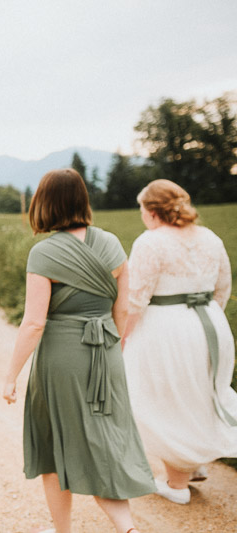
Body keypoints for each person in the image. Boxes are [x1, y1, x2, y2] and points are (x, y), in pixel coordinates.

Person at [3, 168, 154, 533]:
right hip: (107, 352)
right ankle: (127, 527)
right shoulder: (113, 244)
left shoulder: (44, 253)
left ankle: (63, 531)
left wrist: (11, 375)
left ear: (44, 204)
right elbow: (124, 309)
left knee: (55, 446)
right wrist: (109, 349)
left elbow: (34, 323)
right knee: (106, 443)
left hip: (63, 358)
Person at [122, 179, 237, 504]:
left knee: (166, 397)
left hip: (167, 330)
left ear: (154, 212)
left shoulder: (150, 242)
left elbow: (135, 300)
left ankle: (176, 483)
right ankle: (192, 461)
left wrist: (122, 338)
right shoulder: (210, 237)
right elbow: (222, 288)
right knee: (198, 392)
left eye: (142, 208)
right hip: (211, 325)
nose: (142, 215)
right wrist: (204, 320)